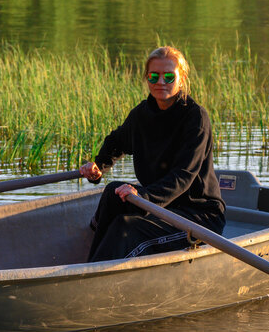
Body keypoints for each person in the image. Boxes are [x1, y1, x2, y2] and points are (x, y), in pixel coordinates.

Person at [80, 46, 225, 262]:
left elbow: (183, 176)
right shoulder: (142, 114)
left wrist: (145, 196)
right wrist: (98, 167)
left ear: (181, 78)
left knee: (127, 227)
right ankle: (91, 265)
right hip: (162, 206)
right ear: (147, 78)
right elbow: (117, 141)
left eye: (169, 76)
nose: (161, 82)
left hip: (198, 217)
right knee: (112, 193)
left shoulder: (196, 118)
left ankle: (97, 275)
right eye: (154, 76)